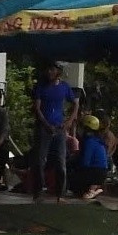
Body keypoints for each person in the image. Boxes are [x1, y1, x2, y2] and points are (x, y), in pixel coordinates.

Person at [31, 62, 79, 203]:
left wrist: (70, 120)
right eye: (48, 69)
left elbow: (75, 103)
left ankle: (60, 194)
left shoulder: (64, 87)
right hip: (44, 128)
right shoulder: (40, 86)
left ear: (58, 71)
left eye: (52, 70)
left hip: (60, 128)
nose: (49, 72)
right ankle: (38, 192)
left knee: (60, 161)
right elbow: (37, 108)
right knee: (40, 161)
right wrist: (46, 124)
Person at [70, 114, 110, 199]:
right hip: (101, 172)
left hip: (94, 172)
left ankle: (90, 190)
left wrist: (74, 160)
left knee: (70, 171)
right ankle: (93, 188)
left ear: (86, 129)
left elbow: (84, 162)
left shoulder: (89, 141)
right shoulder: (98, 140)